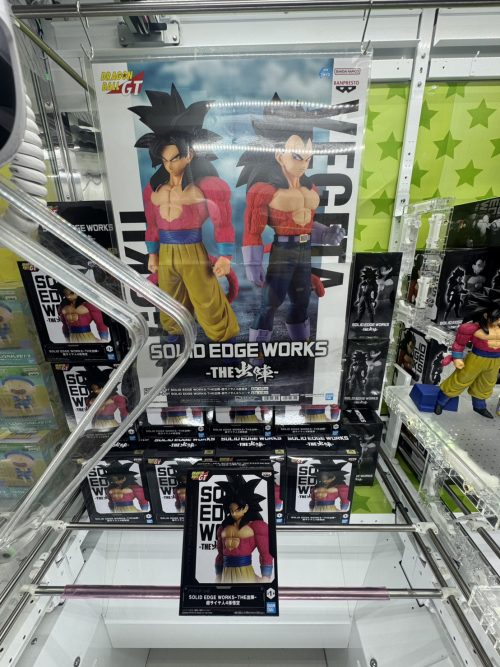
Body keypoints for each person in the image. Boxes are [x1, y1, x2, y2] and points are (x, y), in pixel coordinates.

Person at [129, 85, 239, 346]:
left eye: (175, 158)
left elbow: (223, 222)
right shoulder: (153, 189)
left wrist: (225, 256)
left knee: (206, 298)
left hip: (193, 250)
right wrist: (152, 253)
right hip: (166, 252)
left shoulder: (208, 185)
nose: (170, 165)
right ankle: (174, 336)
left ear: (189, 154)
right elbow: (152, 224)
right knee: (169, 299)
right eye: (165, 159)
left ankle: (224, 338)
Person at [238, 93, 345, 345]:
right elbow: (253, 230)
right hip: (283, 251)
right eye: (297, 156)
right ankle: (257, 351)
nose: (304, 164)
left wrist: (326, 234)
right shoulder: (264, 190)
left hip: (304, 251)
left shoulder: (310, 187)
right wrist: (252, 264)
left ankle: (301, 344)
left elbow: (304, 224)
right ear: (279, 155)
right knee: (270, 303)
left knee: (301, 301)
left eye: (308, 157)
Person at [435, 290, 500, 419]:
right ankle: (441, 402)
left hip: (495, 360)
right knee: (461, 380)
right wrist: (457, 358)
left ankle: (479, 406)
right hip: (477, 358)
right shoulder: (472, 328)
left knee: (487, 383)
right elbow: (459, 344)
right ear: (486, 315)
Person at [215, 475, 273, 583]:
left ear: (246, 508)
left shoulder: (257, 527)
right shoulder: (223, 528)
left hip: (245, 572)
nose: (233, 514)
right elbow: (220, 555)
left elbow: (265, 553)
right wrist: (218, 575)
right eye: (231, 510)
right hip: (226, 573)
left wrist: (266, 576)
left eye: (237, 510)